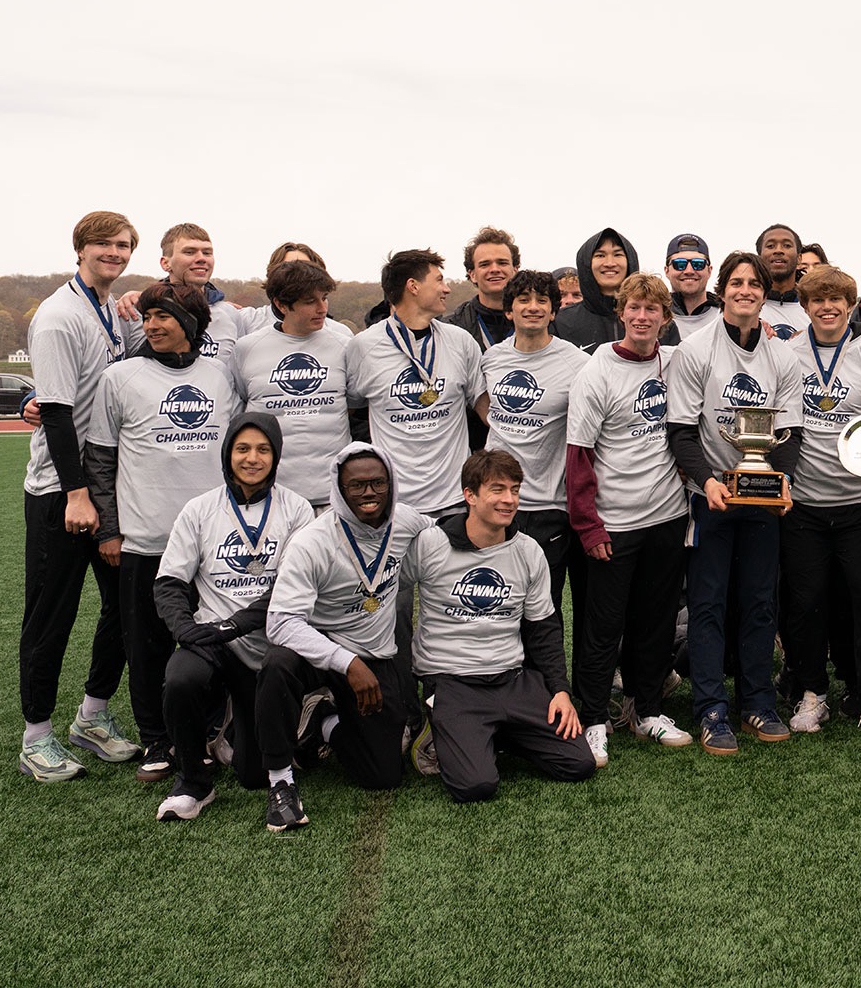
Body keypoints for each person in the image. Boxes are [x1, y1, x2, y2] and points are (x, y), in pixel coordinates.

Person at [86, 281, 238, 782]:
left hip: (211, 543)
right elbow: (101, 459)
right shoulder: (121, 377)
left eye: (163, 316)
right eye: (147, 316)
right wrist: (109, 530)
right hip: (146, 540)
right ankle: (156, 740)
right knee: (146, 647)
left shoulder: (219, 376)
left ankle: (213, 728)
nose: (150, 325)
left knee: (214, 642)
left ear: (191, 324)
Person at [665, 251, 806, 754]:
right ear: (723, 290)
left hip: (763, 498)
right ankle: (710, 708)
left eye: (755, 283)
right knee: (707, 603)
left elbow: (788, 432)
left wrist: (783, 479)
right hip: (712, 498)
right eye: (737, 282)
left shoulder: (782, 357)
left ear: (765, 292)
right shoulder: (694, 350)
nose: (746, 290)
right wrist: (706, 482)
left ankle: (757, 702)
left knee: (759, 601)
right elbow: (681, 432)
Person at [18, 211, 140, 782]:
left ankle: (92, 716)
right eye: (105, 244)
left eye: (123, 245)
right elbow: (59, 414)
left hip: (108, 489)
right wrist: (76, 495)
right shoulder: (59, 316)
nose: (115, 253)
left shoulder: (111, 313)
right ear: (81, 248)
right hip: (61, 492)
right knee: (52, 614)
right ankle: (35, 735)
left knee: (125, 604)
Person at [405, 450, 595, 801]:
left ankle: (490, 732)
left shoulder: (528, 551)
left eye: (515, 490)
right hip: (452, 682)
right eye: (497, 489)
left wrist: (561, 692)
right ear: (470, 495)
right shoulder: (431, 545)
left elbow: (544, 629)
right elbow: (392, 595)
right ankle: (438, 727)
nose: (509, 500)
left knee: (578, 763)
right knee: (475, 786)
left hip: (511, 680)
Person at [151, 412, 314, 819]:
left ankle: (258, 728)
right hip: (212, 641)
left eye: (263, 449)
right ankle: (193, 782)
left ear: (276, 456)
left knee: (254, 775)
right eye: (242, 448)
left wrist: (237, 624)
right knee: (180, 677)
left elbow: (293, 586)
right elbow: (169, 582)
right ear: (227, 454)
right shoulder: (200, 508)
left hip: (270, 642)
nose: (252, 458)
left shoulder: (297, 509)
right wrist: (185, 629)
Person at [259, 444, 430, 831]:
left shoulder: (407, 523)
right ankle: (280, 782)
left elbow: (439, 536)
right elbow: (281, 622)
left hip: (373, 655)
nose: (368, 493)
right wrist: (346, 662)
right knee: (276, 664)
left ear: (392, 485)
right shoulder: (312, 542)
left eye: (377, 484)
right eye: (356, 486)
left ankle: (323, 721)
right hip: (319, 657)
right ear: (339, 490)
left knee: (383, 775)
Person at [565, 273, 695, 763]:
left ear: (665, 317)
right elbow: (578, 457)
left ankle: (647, 713)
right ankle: (595, 719)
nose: (643, 318)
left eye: (653, 310)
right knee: (603, 626)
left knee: (656, 622)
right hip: (613, 523)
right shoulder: (596, 371)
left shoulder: (675, 361)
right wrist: (588, 525)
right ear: (621, 313)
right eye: (635, 308)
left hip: (666, 517)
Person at [779, 268, 861, 742]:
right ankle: (812, 692)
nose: (827, 307)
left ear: (852, 304)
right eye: (818, 300)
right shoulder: (786, 354)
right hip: (804, 505)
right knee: (805, 603)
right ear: (806, 305)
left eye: (837, 299)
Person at [480, 270, 589, 637]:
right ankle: (503, 686)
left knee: (544, 606)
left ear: (553, 311)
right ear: (508, 311)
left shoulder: (575, 363)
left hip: (547, 505)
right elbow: (482, 404)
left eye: (542, 300)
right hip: (494, 502)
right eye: (523, 300)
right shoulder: (491, 359)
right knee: (497, 600)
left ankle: (548, 688)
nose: (533, 307)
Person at [345, 249, 490, 518]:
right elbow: (350, 411)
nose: (446, 289)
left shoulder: (460, 342)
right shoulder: (363, 347)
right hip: (394, 504)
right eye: (439, 280)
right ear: (413, 286)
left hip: (455, 501)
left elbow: (484, 407)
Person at [228, 256, 353, 507]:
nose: (322, 308)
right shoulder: (247, 349)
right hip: (271, 497)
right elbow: (240, 405)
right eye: (310, 302)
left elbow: (358, 406)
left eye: (324, 298)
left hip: (334, 497)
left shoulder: (344, 342)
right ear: (281, 305)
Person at [117, 223, 263, 359]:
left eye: (207, 253)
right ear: (165, 263)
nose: (201, 259)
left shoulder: (230, 314)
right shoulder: (134, 311)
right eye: (189, 252)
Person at [553, 226, 637, 352]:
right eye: (600, 255)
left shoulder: (653, 318)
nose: (609, 263)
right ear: (587, 263)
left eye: (618, 254)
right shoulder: (561, 322)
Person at [444, 226, 519, 352]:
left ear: (515, 270)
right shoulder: (451, 328)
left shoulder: (542, 323)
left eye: (502, 263)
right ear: (472, 274)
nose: (495, 269)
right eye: (485, 264)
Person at [660, 233, 721, 344]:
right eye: (680, 264)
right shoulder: (652, 314)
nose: (689, 271)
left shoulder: (725, 314)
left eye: (698, 264)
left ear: (709, 270)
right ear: (666, 271)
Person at [756, 223, 808, 338]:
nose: (778, 250)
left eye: (787, 245)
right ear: (759, 258)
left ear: (799, 259)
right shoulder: (745, 305)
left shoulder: (814, 307)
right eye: (770, 246)